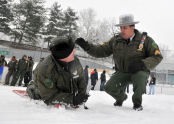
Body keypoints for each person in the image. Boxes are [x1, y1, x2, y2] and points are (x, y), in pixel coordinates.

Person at [75, 14, 163, 111]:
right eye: (121, 28)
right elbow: (101, 50)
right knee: (108, 87)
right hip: (122, 72)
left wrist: (143, 64)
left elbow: (157, 56)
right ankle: (121, 98)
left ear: (132, 27)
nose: (122, 31)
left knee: (140, 77)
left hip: (139, 71)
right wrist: (87, 47)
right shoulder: (116, 40)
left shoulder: (145, 40)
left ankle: (137, 104)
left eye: (125, 28)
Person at [26, 37, 89, 107]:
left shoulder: (75, 61)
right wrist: (72, 100)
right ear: (63, 55)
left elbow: (81, 79)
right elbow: (49, 96)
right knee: (37, 93)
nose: (74, 52)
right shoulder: (46, 69)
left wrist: (82, 95)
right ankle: (32, 86)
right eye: (71, 51)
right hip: (43, 88)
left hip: (65, 89)